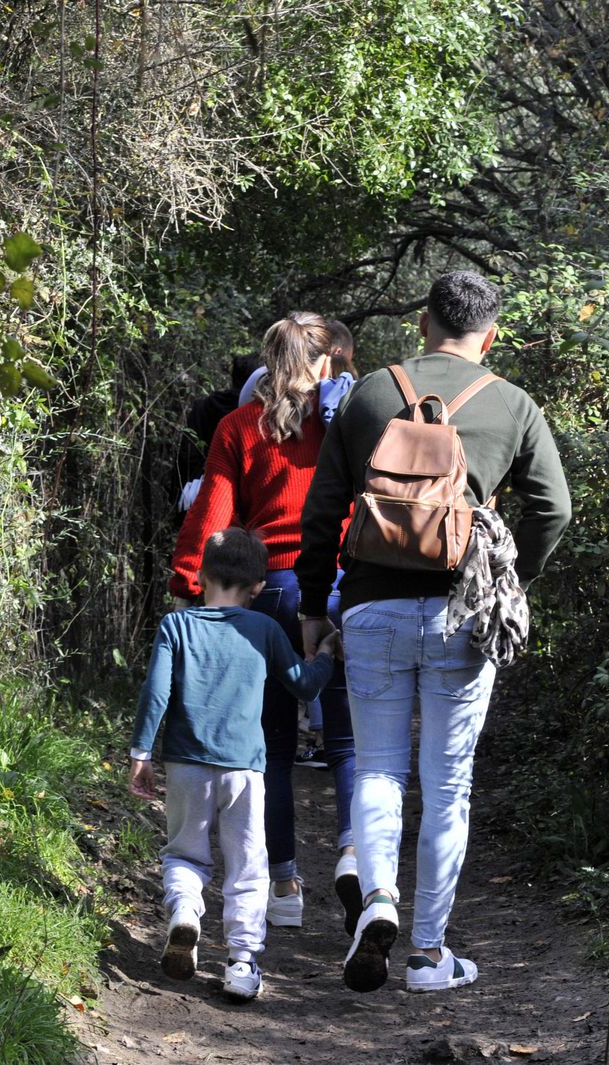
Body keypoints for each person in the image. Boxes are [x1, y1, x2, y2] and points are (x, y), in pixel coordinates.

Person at [296, 270, 572, 994]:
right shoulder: (513, 405)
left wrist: (318, 608)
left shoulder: (369, 394)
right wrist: (512, 580)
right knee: (448, 786)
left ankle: (377, 899)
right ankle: (426, 955)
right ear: (491, 334)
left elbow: (322, 512)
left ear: (422, 324)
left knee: (381, 768)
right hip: (462, 613)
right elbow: (554, 509)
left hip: (372, 608)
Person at [168, 312, 360, 933]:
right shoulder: (348, 425)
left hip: (270, 592)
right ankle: (356, 855)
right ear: (325, 362)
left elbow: (213, 519)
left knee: (273, 747)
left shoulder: (238, 426)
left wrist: (186, 585)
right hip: (338, 587)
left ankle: (283, 884)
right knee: (347, 742)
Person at [128, 528, 341, 1001]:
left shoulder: (176, 626)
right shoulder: (264, 629)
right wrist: (325, 655)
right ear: (259, 588)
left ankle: (185, 912)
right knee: (248, 865)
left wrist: (141, 754)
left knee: (185, 853)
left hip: (186, 763)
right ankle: (243, 962)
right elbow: (303, 686)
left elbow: (156, 693)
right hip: (246, 768)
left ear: (200, 577)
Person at [173, 354, 261, 512]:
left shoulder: (203, 407)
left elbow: (186, 455)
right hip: (238, 497)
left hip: (198, 494)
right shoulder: (255, 413)